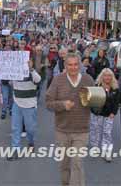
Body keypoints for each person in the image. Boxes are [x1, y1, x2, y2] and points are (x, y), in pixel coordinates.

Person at [46, 53, 94, 186]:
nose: (73, 68)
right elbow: (48, 103)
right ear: (65, 66)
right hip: (62, 130)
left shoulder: (88, 80)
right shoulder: (58, 80)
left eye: (76, 64)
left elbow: (96, 103)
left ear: (80, 65)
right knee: (64, 165)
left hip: (82, 130)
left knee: (77, 163)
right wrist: (62, 105)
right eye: (70, 65)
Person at [7, 60, 41, 161]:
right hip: (17, 103)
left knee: (30, 128)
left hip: (30, 105)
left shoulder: (32, 73)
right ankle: (15, 149)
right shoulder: (15, 72)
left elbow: (38, 80)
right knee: (15, 128)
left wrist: (31, 69)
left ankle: (31, 142)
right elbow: (8, 82)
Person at [89, 68, 119, 162]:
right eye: (105, 75)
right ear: (102, 76)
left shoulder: (115, 88)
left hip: (109, 114)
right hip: (97, 113)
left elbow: (116, 102)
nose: (107, 77)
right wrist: (94, 111)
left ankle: (106, 152)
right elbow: (91, 100)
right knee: (95, 131)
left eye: (109, 75)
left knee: (107, 133)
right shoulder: (97, 86)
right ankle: (94, 148)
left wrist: (113, 112)